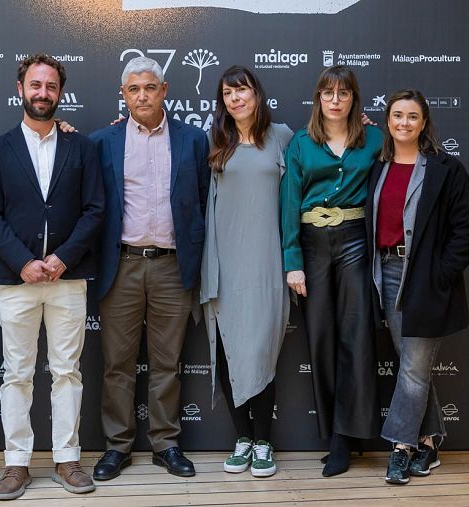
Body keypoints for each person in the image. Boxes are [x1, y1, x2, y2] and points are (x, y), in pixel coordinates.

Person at [0, 54, 104, 499]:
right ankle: (16, 464)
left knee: (67, 371)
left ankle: (67, 458)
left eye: (50, 86)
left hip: (68, 280)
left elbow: (95, 211)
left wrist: (63, 258)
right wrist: (23, 262)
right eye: (35, 85)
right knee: (17, 373)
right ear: (20, 89)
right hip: (17, 281)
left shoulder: (81, 147)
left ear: (60, 92)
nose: (42, 93)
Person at [89, 56, 210, 480]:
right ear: (123, 95)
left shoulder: (194, 139)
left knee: (167, 362)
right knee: (117, 364)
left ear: (165, 90)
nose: (143, 95)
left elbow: (201, 202)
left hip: (172, 267)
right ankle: (117, 448)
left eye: (150, 87)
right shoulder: (102, 141)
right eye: (134, 89)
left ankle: (165, 444)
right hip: (121, 265)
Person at [365, 89, 469, 485]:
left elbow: (466, 229)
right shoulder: (378, 167)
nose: (404, 123)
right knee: (412, 367)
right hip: (387, 271)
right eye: (397, 116)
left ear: (424, 122)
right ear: (387, 121)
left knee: (412, 369)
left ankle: (402, 447)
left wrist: (441, 274)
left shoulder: (446, 170)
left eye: (412, 116)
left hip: (425, 279)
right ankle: (430, 440)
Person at [280, 65, 382, 477]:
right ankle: (334, 433)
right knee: (321, 338)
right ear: (318, 99)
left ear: (354, 99)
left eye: (343, 93)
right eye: (328, 93)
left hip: (357, 240)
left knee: (357, 339)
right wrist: (293, 263)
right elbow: (289, 203)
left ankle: (348, 437)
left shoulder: (375, 137)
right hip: (313, 246)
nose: (335, 100)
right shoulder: (302, 143)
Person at [200, 66, 292, 478]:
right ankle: (243, 438)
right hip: (223, 262)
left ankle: (264, 440)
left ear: (257, 94)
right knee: (229, 349)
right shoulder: (214, 141)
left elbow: (330, 145)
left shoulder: (284, 137)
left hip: (269, 263)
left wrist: (361, 124)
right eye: (227, 93)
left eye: (242, 90)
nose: (235, 98)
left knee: (261, 350)